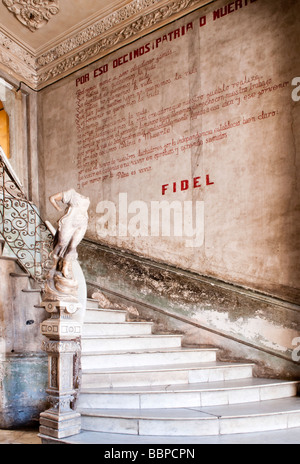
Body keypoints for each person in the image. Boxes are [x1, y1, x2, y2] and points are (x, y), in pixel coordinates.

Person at [49, 189, 90, 280]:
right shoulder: (71, 193)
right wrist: (57, 208)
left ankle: (65, 267)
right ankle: (54, 263)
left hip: (82, 224)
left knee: (72, 246)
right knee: (61, 243)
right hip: (69, 222)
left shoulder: (87, 199)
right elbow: (52, 198)